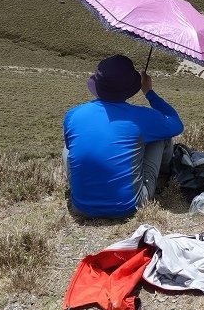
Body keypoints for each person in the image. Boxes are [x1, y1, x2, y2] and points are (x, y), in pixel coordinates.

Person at [63, 54, 184, 218]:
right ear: (130, 88)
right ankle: (163, 178)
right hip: (128, 207)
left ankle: (86, 190)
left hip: (81, 207)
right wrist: (149, 92)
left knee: (67, 147)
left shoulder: (73, 115)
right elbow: (176, 124)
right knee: (160, 136)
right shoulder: (142, 117)